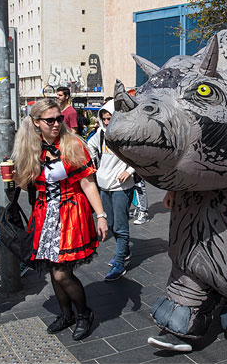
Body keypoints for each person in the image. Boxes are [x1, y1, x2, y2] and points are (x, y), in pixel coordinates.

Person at [10, 98, 108, 339]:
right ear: (36, 123)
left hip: (71, 213)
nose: (56, 124)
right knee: (54, 267)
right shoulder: (31, 146)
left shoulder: (73, 144)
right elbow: (26, 185)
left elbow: (87, 182)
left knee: (61, 272)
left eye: (59, 118)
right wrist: (14, 176)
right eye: (50, 120)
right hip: (45, 215)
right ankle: (66, 314)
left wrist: (101, 215)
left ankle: (84, 314)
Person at [87, 99, 136, 281]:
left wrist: (129, 170)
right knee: (111, 223)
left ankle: (119, 262)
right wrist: (92, 163)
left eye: (110, 118)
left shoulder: (127, 134)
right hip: (103, 185)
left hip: (122, 187)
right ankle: (124, 251)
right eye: (104, 118)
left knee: (120, 227)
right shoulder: (100, 133)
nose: (107, 122)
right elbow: (89, 147)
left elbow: (140, 155)